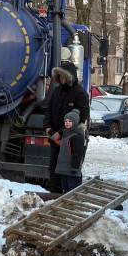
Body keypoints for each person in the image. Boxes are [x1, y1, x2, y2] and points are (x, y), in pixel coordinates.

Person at [43, 62, 90, 192]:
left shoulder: (80, 94)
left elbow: (81, 118)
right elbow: (49, 110)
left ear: (70, 76)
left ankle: (71, 195)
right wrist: (47, 127)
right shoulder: (57, 91)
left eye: (63, 76)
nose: (61, 78)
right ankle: (55, 193)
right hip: (55, 137)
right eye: (59, 76)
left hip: (71, 140)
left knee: (70, 170)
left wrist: (60, 132)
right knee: (54, 167)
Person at [54, 109, 86, 193]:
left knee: (73, 192)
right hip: (64, 169)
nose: (67, 123)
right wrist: (60, 131)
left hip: (72, 170)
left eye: (70, 121)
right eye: (66, 121)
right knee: (66, 191)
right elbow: (53, 138)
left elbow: (77, 153)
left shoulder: (77, 136)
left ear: (75, 122)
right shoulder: (65, 133)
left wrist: (74, 168)